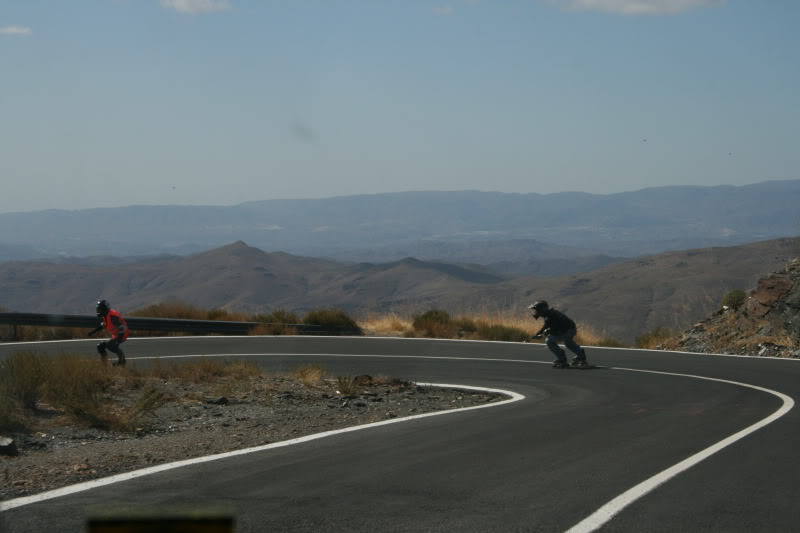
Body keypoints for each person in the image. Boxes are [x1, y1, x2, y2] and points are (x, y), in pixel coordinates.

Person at [528, 300, 589, 368]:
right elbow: (546, 326)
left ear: (542, 309)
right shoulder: (549, 314)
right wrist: (538, 333)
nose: (536, 312)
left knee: (549, 341)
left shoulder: (550, 317)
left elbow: (553, 330)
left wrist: (542, 335)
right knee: (568, 343)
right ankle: (581, 356)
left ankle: (562, 359)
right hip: (570, 329)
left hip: (567, 330)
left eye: (537, 310)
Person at [88, 300, 129, 366]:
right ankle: (104, 363)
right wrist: (92, 332)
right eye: (97, 310)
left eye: (99, 310)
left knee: (111, 346)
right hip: (116, 335)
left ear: (104, 309)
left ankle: (122, 361)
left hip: (122, 334)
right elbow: (102, 325)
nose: (98, 312)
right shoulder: (106, 315)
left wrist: (118, 339)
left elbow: (122, 327)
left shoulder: (112, 316)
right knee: (100, 346)